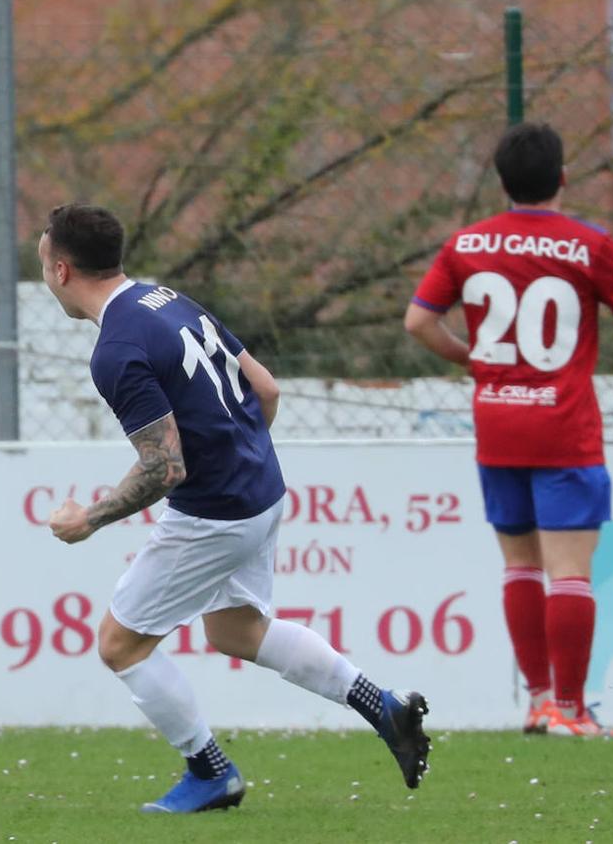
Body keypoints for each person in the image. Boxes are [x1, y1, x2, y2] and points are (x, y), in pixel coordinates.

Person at [38, 202, 430, 814]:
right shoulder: (169, 300)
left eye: (42, 261)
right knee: (236, 630)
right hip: (262, 490)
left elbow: (165, 468)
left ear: (61, 270)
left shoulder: (116, 349)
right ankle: (384, 707)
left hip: (215, 513)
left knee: (119, 644)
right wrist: (241, 455)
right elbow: (265, 387)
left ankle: (210, 772)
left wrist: (87, 519)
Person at [404, 122, 613, 737]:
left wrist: (472, 359)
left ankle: (539, 701)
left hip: (498, 422)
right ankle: (570, 708)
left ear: (503, 182)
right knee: (569, 571)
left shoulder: (466, 244)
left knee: (519, 565)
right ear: (563, 177)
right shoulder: (590, 245)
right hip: (564, 427)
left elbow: (419, 322)